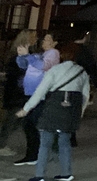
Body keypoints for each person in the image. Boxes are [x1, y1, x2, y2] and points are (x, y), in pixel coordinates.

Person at [16, 48, 89, 181]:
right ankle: (66, 174)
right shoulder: (82, 72)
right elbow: (85, 96)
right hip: (70, 112)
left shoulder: (55, 70)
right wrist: (80, 113)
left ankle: (39, 176)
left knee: (45, 144)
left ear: (61, 58)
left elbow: (40, 91)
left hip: (53, 109)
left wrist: (26, 109)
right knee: (65, 142)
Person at [15, 30, 61, 166]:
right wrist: (22, 55)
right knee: (30, 124)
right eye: (44, 39)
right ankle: (35, 154)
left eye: (47, 39)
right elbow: (23, 65)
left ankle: (34, 155)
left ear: (54, 42)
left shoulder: (53, 53)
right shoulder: (40, 54)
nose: (43, 42)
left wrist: (27, 56)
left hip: (40, 95)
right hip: (32, 94)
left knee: (31, 124)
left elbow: (43, 66)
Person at [0, 30, 31, 157]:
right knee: (11, 121)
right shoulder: (19, 59)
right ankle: (1, 145)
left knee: (13, 121)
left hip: (16, 94)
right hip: (17, 95)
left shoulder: (14, 57)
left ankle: (2, 144)